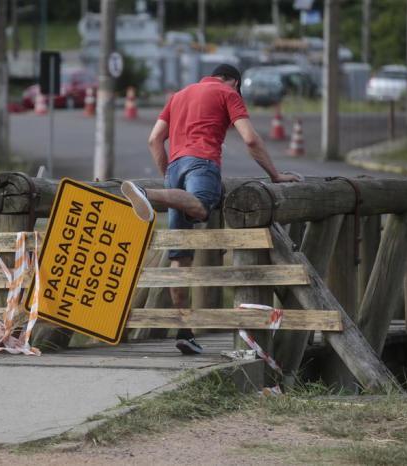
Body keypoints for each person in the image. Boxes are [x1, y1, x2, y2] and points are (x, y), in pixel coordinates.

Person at [121, 63, 300, 355]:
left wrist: (170, 182)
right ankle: (147, 194)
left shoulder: (179, 95)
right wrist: (276, 175)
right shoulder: (227, 93)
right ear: (234, 81)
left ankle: (185, 331)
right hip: (202, 162)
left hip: (175, 170)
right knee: (203, 207)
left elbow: (154, 139)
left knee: (180, 255)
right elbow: (251, 139)